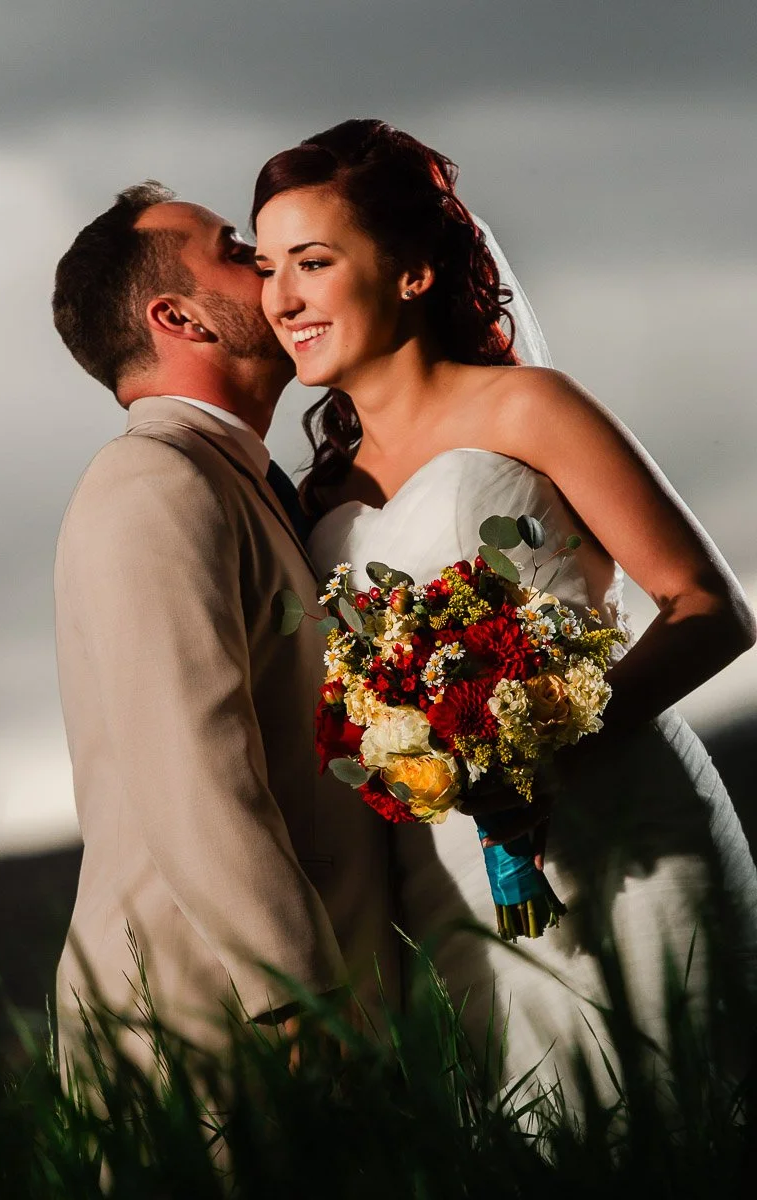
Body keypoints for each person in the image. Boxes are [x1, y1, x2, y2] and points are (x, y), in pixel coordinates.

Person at [250, 119, 757, 1103]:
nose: (281, 298)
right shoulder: (315, 497)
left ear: (412, 272)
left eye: (311, 261)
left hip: (627, 834)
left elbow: (710, 608)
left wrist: (548, 740)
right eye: (268, 266)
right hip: (454, 882)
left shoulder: (528, 409)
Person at [51, 182, 397, 1078]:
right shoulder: (152, 482)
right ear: (180, 317)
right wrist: (304, 1006)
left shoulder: (241, 481)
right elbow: (192, 769)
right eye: (236, 250)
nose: (273, 265)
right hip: (219, 1035)